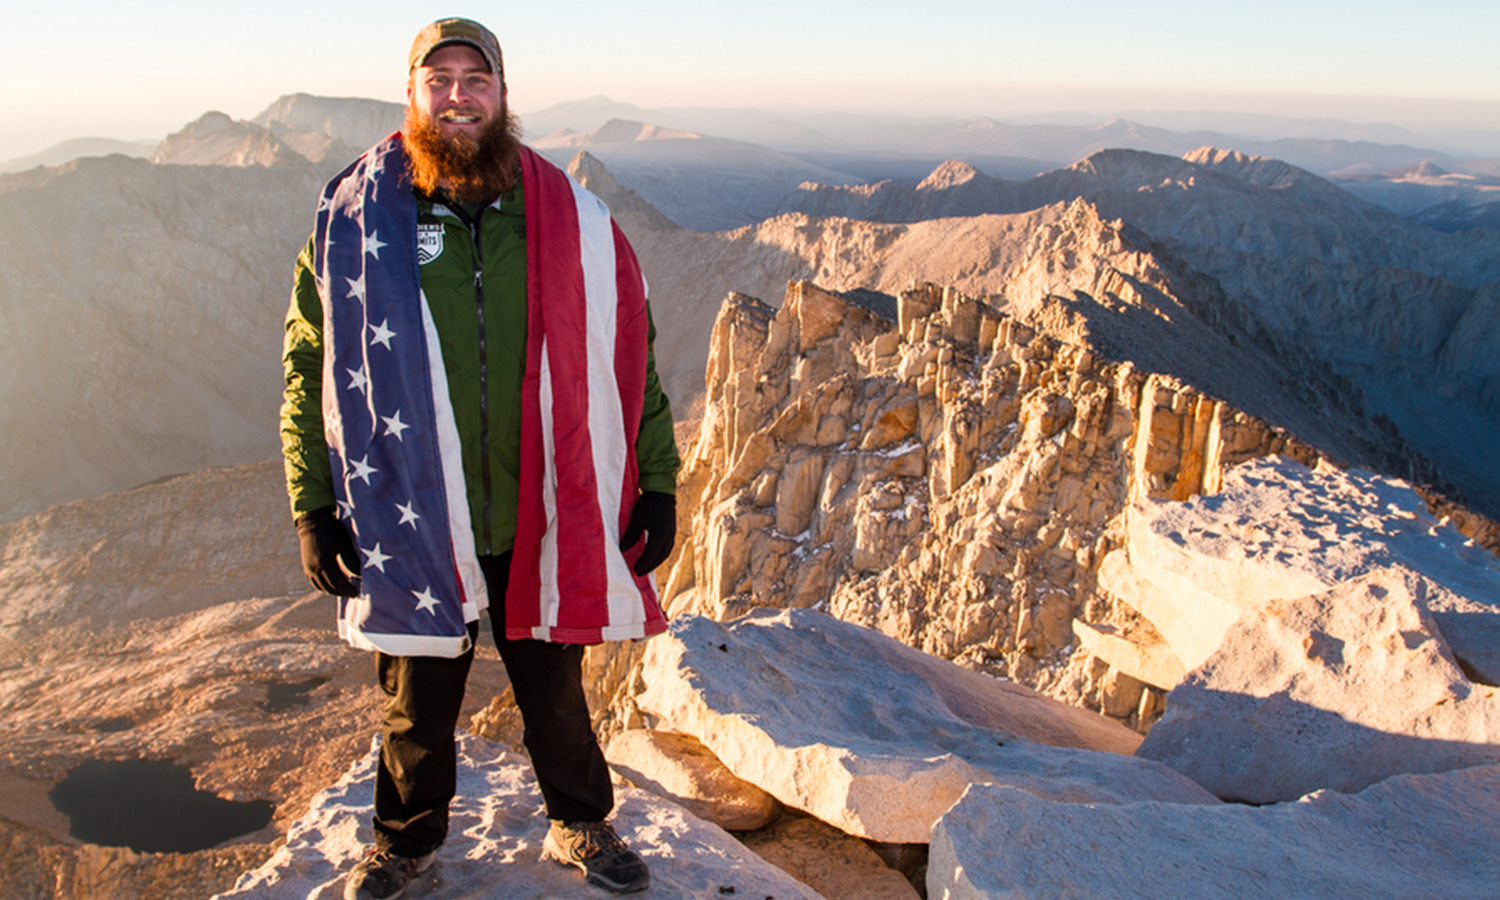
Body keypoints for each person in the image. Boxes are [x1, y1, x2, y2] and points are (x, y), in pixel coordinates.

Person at [279, 17, 680, 900]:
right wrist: (313, 504)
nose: (459, 94)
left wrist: (658, 481)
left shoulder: (569, 217)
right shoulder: (353, 224)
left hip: (540, 507)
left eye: (477, 78)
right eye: (440, 78)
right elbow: (309, 370)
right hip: (415, 514)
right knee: (417, 705)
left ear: (502, 95)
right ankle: (405, 843)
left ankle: (582, 824)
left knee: (556, 697)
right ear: (412, 94)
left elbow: (629, 358)